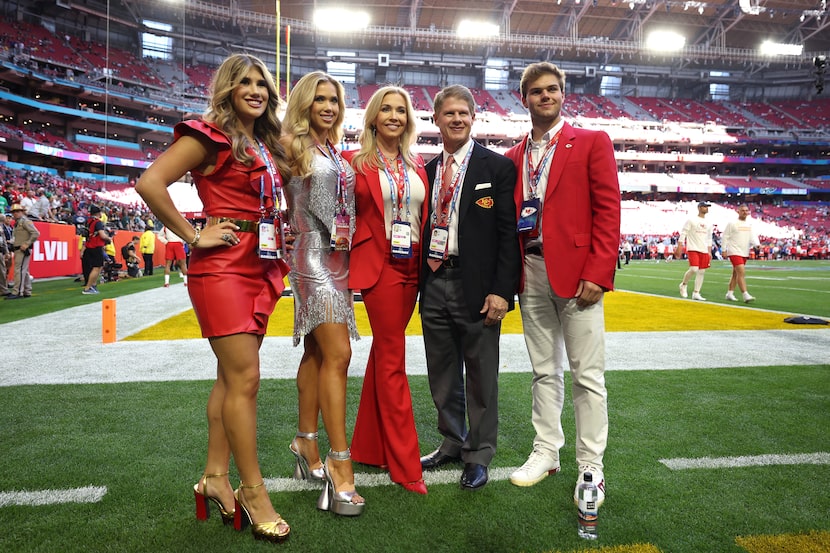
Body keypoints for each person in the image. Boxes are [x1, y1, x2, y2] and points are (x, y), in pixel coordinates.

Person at [135, 53, 292, 543]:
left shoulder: (265, 141)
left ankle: (214, 478)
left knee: (230, 379)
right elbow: (150, 183)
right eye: (244, 82)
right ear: (226, 88)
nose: (255, 90)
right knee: (246, 380)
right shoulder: (206, 134)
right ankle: (253, 490)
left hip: (260, 262)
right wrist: (191, 234)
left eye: (262, 83)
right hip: (223, 265)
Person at [503, 62, 620, 508]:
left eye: (552, 89)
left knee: (587, 376)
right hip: (529, 270)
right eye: (536, 91)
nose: (545, 96)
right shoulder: (514, 156)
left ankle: (591, 464)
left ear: (563, 94)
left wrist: (599, 271)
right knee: (542, 370)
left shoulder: (591, 141)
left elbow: (608, 210)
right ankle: (547, 451)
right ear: (524, 97)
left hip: (578, 274)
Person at [418, 84, 521, 491]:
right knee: (441, 372)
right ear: (436, 119)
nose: (457, 119)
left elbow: (507, 234)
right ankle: (451, 440)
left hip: (478, 286)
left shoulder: (495, 168)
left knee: (481, 374)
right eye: (449, 113)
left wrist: (501, 291)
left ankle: (478, 453)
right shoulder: (426, 171)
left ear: (473, 117)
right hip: (435, 281)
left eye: (463, 113)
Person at [280, 71, 365, 516]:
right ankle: (339, 464)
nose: (329, 106)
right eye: (320, 100)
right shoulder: (292, 146)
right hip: (313, 257)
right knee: (338, 356)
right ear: (304, 105)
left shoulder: (333, 148)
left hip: (337, 259)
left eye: (334, 99)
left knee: (316, 354)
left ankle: (305, 441)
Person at [343, 86, 429, 495]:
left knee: (384, 352)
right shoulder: (354, 164)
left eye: (401, 110)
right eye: (386, 109)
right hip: (380, 269)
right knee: (394, 356)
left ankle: (368, 446)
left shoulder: (418, 166)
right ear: (374, 117)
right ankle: (405, 464)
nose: (394, 116)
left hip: (414, 267)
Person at [676, 201, 713, 301]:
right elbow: (684, 233)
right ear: (699, 208)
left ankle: (696, 292)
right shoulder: (691, 220)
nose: (707, 208)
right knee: (694, 269)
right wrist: (680, 245)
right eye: (705, 206)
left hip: (704, 249)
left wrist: (709, 251)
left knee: (702, 271)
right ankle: (683, 285)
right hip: (693, 248)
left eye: (707, 207)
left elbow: (709, 238)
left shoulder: (709, 223)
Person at [723, 204, 759, 302]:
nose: (744, 212)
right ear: (738, 211)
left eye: (746, 210)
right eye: (742, 210)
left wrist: (757, 244)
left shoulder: (749, 224)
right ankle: (745, 294)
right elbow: (725, 237)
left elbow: (752, 237)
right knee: (741, 272)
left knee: (735, 273)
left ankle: (729, 293)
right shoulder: (732, 223)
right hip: (734, 251)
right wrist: (723, 250)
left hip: (744, 251)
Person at [6, 203, 40, 299]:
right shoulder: (18, 222)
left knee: (19, 270)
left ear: (22, 212)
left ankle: (17, 292)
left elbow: (36, 233)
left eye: (17, 211)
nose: (15, 214)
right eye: (13, 212)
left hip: (23, 249)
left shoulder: (25, 221)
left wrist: (27, 243)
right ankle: (27, 290)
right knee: (24, 271)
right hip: (19, 248)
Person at [82, 204, 111, 295]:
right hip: (96, 246)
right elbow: (102, 235)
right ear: (99, 213)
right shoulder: (98, 222)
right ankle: (88, 288)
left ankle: (93, 285)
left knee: (96, 267)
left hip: (89, 246)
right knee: (97, 267)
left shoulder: (89, 221)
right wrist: (108, 238)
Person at [159, 223, 188, 287]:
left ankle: (166, 282)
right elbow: (185, 236)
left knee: (168, 264)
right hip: (178, 244)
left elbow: (159, 236)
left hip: (170, 244)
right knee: (183, 264)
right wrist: (182, 243)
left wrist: (166, 242)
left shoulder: (166, 227)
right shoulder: (180, 226)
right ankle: (186, 282)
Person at [0, 213, 12, 296]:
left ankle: (3, 289)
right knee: (2, 270)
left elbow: (3, 240)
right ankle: (4, 289)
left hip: (0, 251)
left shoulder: (1, 228)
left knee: (2, 270)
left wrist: (6, 252)